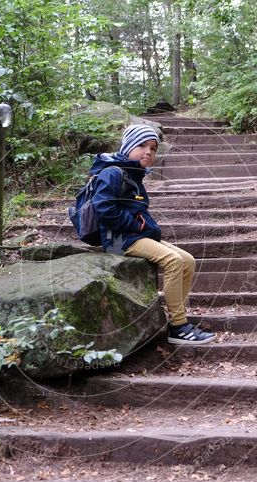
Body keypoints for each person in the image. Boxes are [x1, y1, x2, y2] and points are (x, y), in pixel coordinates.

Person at [90, 124, 216, 345]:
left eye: (153, 148)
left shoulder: (134, 175)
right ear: (128, 146)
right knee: (173, 261)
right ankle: (178, 327)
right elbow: (103, 209)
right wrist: (137, 226)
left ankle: (176, 317)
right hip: (118, 239)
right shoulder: (112, 172)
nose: (148, 152)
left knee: (188, 260)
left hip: (133, 236)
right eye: (141, 145)